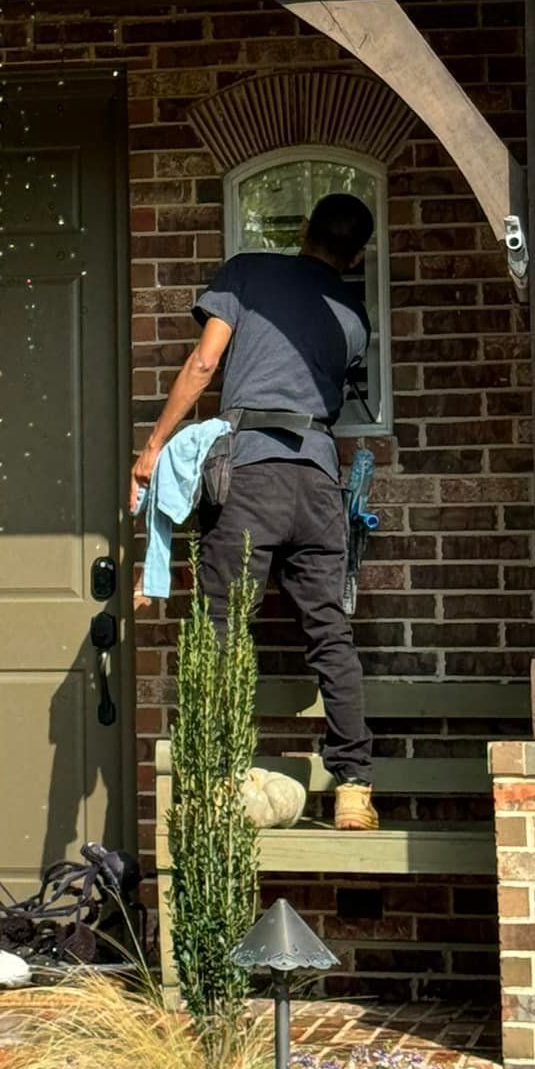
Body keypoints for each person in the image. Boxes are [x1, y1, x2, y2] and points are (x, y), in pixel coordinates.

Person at [129, 192, 378, 834]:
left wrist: (155, 446)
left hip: (252, 475)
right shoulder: (352, 314)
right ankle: (354, 787)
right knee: (329, 633)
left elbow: (205, 361)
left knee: (219, 627)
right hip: (319, 481)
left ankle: (217, 781)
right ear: (356, 255)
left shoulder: (248, 272)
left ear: (304, 232)